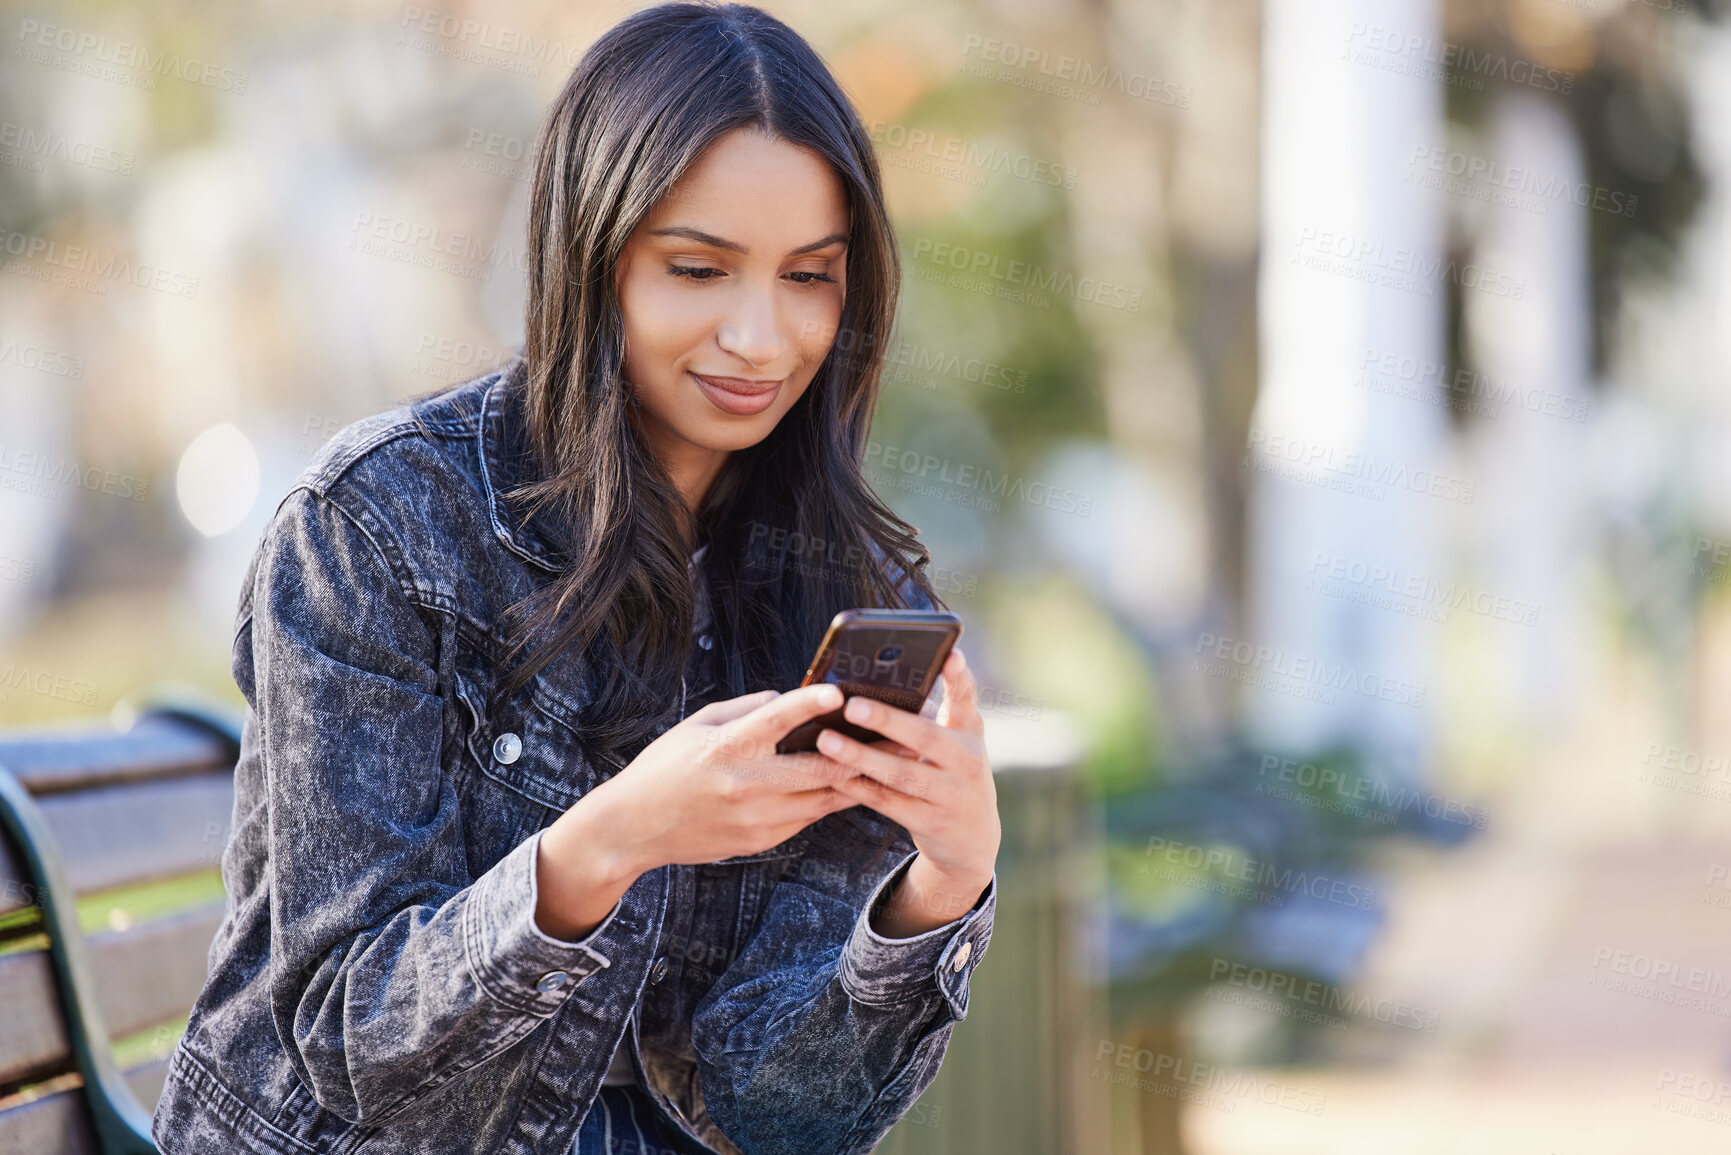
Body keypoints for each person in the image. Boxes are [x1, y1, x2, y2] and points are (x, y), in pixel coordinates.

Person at [150, 4, 1001, 1154]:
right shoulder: (378, 529)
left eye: (810, 277)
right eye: (699, 269)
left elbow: (780, 1115)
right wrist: (608, 844)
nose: (760, 336)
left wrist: (939, 888)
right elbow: (355, 1049)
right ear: (590, 259)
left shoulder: (843, 578)